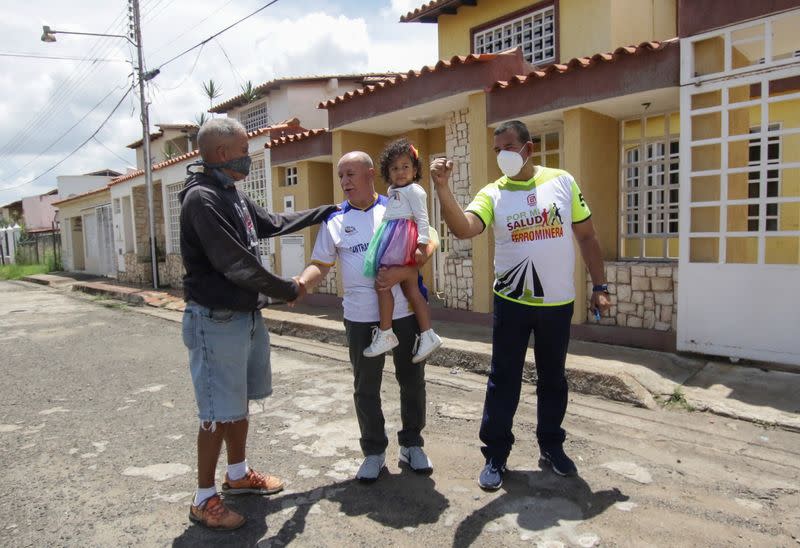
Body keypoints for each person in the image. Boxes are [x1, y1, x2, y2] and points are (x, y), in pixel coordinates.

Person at [430, 120, 611, 490]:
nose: (501, 156)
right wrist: (443, 189)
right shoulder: (493, 193)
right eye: (496, 149)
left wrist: (600, 285)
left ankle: (551, 447)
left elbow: (588, 235)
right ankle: (496, 454)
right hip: (512, 302)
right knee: (503, 379)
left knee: (553, 379)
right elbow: (465, 228)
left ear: (529, 148)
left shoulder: (562, 181)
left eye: (508, 147)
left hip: (557, 303)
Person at [178, 118, 338, 530]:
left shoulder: (231, 193)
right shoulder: (202, 199)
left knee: (239, 404)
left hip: (245, 317)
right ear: (220, 154)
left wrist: (327, 211)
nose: (250, 158)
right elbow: (234, 263)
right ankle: (203, 499)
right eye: (245, 150)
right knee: (216, 411)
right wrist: (287, 289)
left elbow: (271, 223)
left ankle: (237, 475)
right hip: (215, 321)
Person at [296, 151, 436, 482]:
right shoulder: (335, 220)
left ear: (372, 174)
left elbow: (429, 243)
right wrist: (301, 283)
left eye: (351, 174)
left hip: (403, 314)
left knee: (412, 382)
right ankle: (373, 451)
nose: (344, 182)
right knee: (365, 387)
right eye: (341, 176)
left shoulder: (397, 204)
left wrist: (403, 271)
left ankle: (412, 444)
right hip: (359, 318)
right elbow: (321, 264)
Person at [362, 138, 442, 363]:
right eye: (394, 168)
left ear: (415, 169)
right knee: (410, 290)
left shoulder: (415, 190)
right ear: (387, 172)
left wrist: (421, 244)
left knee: (383, 283)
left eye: (406, 167)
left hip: (404, 238)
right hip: (392, 235)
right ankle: (428, 334)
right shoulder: (392, 190)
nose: (400, 172)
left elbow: (422, 217)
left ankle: (387, 332)